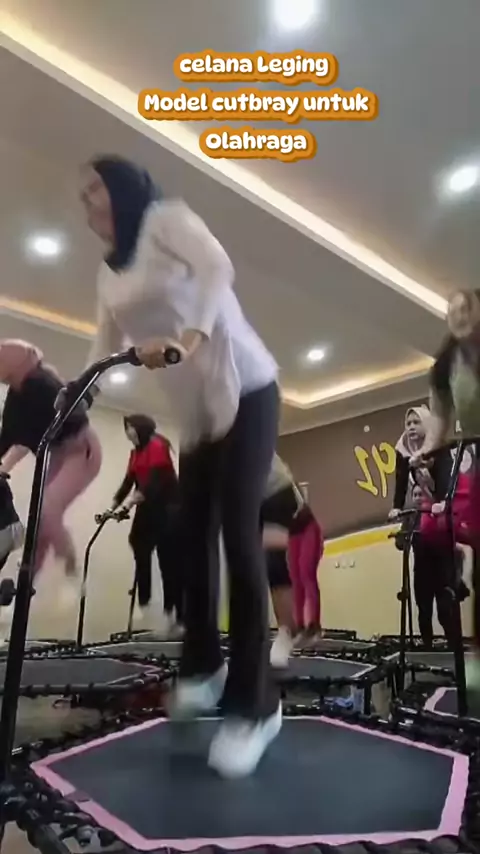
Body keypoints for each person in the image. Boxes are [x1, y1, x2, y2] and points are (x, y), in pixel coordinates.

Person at [78, 155, 280, 778]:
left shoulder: (165, 220)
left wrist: (191, 337)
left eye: (95, 189)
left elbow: (218, 266)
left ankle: (257, 707)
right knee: (191, 543)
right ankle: (204, 665)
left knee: (238, 542)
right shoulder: (108, 275)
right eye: (83, 194)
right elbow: (103, 344)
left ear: (123, 189)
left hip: (247, 389)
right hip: (195, 418)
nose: (87, 202)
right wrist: (76, 395)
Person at [0, 340, 102, 603]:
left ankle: (71, 570)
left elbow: (74, 415)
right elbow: (9, 436)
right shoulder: (16, 396)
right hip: (55, 455)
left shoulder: (41, 383)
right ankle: (25, 591)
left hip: (81, 450)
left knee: (47, 509)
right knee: (40, 523)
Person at [415, 288, 480, 694]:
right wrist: (425, 450)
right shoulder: (445, 366)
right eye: (451, 310)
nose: (458, 315)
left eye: (466, 307)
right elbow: (439, 422)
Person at [109, 414, 183, 636]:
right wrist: (112, 507)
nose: (127, 432)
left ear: (141, 428)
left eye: (130, 427)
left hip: (168, 508)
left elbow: (153, 483)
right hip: (148, 506)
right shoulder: (135, 454)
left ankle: (173, 612)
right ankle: (145, 600)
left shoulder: (157, 446)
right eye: (126, 428)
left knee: (168, 561)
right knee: (138, 544)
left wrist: (129, 504)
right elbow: (128, 482)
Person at [262, 453, 323, 667]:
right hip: (291, 530)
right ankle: (295, 628)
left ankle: (310, 628)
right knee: (294, 577)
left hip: (305, 526)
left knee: (304, 572)